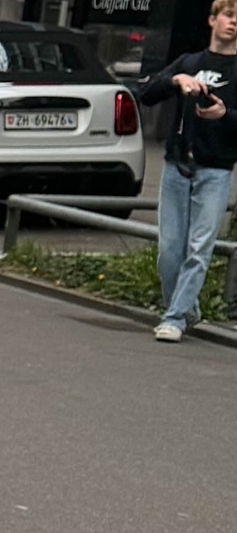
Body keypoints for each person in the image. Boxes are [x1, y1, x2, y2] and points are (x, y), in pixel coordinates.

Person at [140, 0, 237, 342]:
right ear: (212, 20)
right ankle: (187, 308)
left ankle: (174, 317)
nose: (233, 23)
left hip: (216, 170)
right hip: (177, 165)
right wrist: (174, 80)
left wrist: (225, 114)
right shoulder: (190, 62)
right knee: (170, 249)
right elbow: (147, 93)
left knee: (199, 248)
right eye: (228, 15)